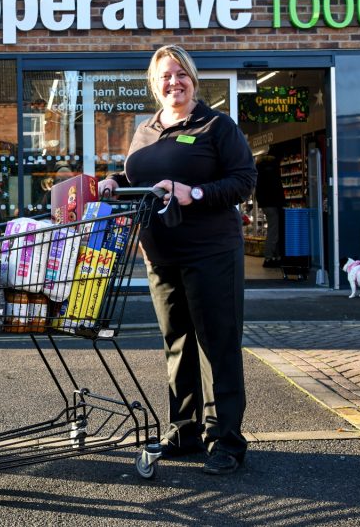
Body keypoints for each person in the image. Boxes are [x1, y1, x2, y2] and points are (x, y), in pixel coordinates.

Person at [98, 44, 256, 475]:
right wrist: (113, 179)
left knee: (216, 345)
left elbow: (244, 180)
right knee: (177, 343)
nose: (174, 82)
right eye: (165, 76)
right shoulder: (145, 130)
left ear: (193, 79)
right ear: (154, 83)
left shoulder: (217, 126)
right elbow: (138, 177)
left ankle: (226, 438)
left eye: (181, 74)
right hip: (160, 254)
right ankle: (184, 429)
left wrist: (196, 193)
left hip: (211, 251)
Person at [255, 151, 285, 268]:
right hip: (273, 204)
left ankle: (275, 256)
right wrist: (282, 202)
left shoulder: (261, 170)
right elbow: (277, 188)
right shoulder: (272, 170)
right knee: (274, 231)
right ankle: (268, 258)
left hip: (266, 204)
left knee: (274, 230)